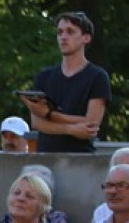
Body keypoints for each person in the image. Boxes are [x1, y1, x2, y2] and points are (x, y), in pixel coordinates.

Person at [22, 11, 111, 154]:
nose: (63, 37)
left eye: (70, 32)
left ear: (86, 38)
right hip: (45, 157)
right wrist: (71, 128)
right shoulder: (44, 76)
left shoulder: (98, 76)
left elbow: (90, 125)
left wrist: (49, 115)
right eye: (60, 32)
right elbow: (37, 123)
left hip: (81, 158)